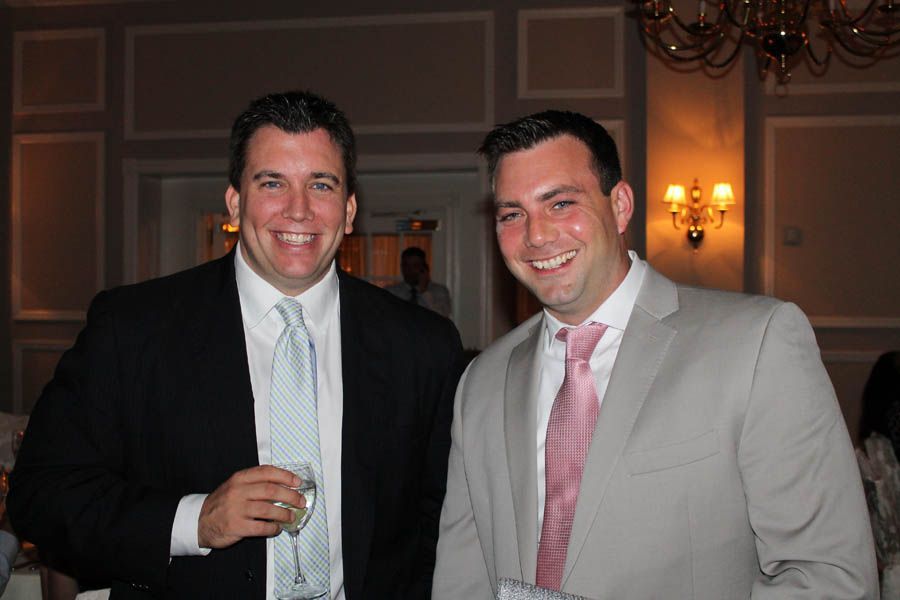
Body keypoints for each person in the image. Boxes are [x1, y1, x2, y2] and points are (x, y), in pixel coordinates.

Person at [9, 90, 464, 599]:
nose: (299, 210)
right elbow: (40, 494)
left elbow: (444, 519)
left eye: (321, 184)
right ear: (235, 201)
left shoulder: (422, 345)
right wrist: (193, 521)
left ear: (350, 208)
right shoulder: (134, 328)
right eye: (272, 183)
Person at [433, 110, 878, 598]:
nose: (536, 235)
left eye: (560, 203)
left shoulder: (754, 344)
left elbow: (826, 575)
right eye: (512, 214)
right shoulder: (481, 381)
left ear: (620, 205)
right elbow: (464, 576)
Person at [386, 247, 452, 319]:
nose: (409, 270)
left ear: (424, 268)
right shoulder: (391, 292)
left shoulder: (439, 291)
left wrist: (424, 291)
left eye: (415, 266)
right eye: (406, 265)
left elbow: (442, 316)